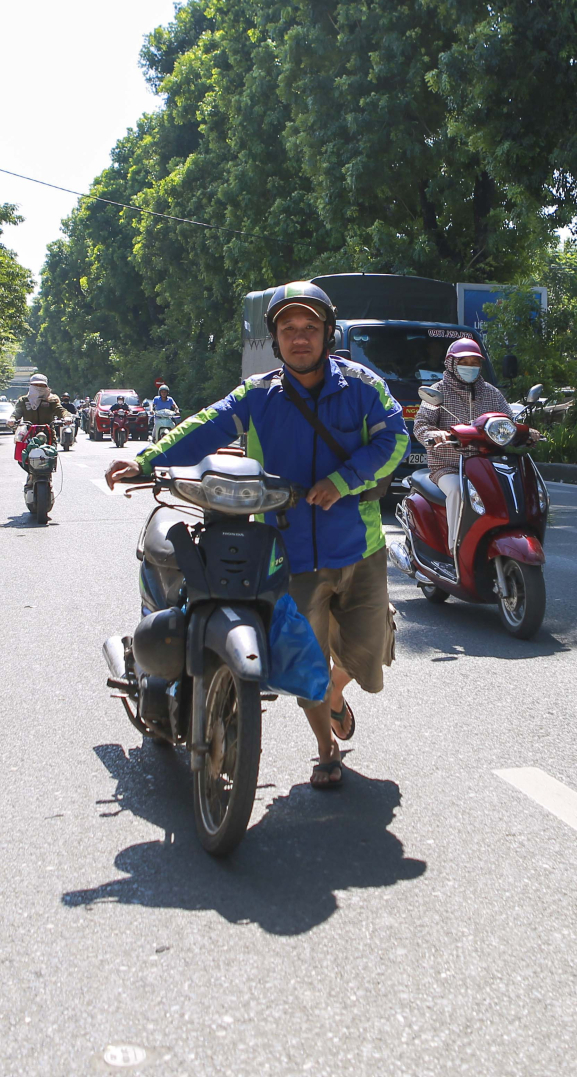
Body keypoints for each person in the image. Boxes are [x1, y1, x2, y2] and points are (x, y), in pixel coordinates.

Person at [105, 281, 408, 791]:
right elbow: (207, 425)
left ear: (327, 332)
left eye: (310, 327)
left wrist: (342, 481)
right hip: (288, 553)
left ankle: (337, 693)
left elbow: (395, 436)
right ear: (276, 339)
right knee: (303, 660)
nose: (300, 337)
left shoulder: (362, 385)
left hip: (360, 546)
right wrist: (146, 459)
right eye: (288, 329)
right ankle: (325, 749)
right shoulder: (260, 394)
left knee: (369, 656)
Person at [411, 338, 538, 573]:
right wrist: (435, 434)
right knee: (459, 492)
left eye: (474, 362)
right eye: (464, 362)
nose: (470, 366)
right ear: (451, 364)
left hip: (488, 466)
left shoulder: (491, 393)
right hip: (449, 466)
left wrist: (526, 432)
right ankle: (454, 553)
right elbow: (421, 425)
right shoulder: (438, 391)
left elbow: (508, 422)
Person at [13, 374, 67, 464]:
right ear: (31, 386)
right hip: (29, 435)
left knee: (51, 458)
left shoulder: (51, 400)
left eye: (42, 386)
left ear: (46, 387)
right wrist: (12, 419)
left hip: (48, 435)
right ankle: (30, 474)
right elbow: (17, 412)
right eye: (36, 385)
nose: (39, 388)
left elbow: (60, 410)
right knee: (23, 458)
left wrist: (66, 416)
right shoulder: (23, 400)